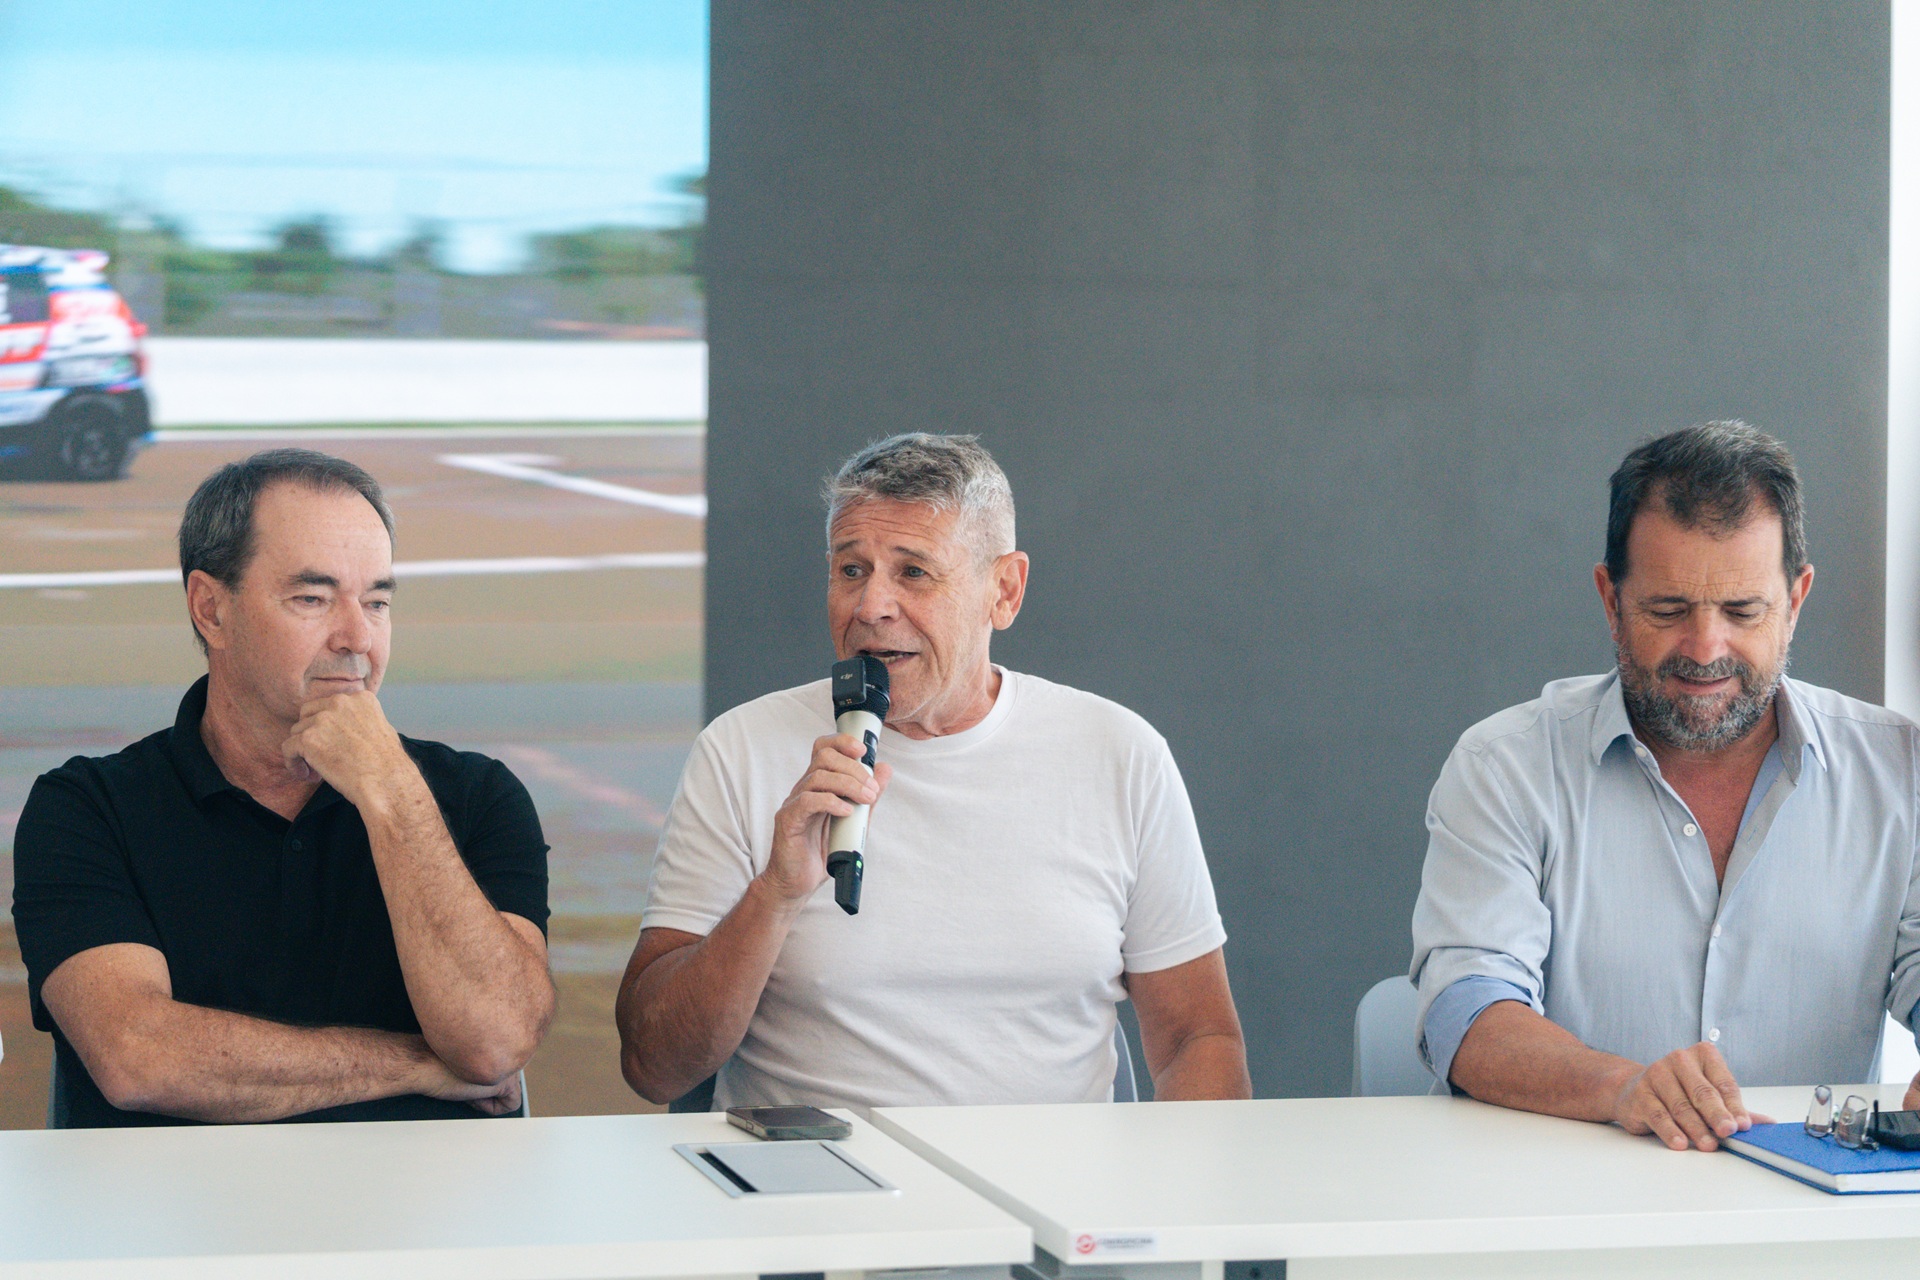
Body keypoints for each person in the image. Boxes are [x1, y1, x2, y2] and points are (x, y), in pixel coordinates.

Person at [617, 432, 1249, 1110]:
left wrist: (1172, 1176)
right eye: (851, 570)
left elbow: (1198, 1039)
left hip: (1054, 1173)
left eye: (913, 572)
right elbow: (654, 1067)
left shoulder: (1120, 754)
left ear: (1004, 591)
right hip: (820, 1169)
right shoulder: (740, 749)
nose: (870, 607)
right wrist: (775, 893)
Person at [1411, 421, 1920, 1152]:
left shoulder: (1900, 771)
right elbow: (1465, 1011)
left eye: (1742, 611)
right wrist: (1623, 1088)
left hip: (1805, 1208)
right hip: (1553, 1199)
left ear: (1795, 601)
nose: (1706, 648)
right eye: (1668, 610)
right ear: (1610, 600)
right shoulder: (1505, 767)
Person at [11, 449, 554, 1126]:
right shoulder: (87, 808)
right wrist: (415, 1065)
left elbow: (494, 1043)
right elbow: (139, 1057)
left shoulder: (478, 795)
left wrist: (390, 791)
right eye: (312, 599)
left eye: (377, 601)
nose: (358, 637)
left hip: (426, 1195)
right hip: (173, 1196)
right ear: (211, 610)